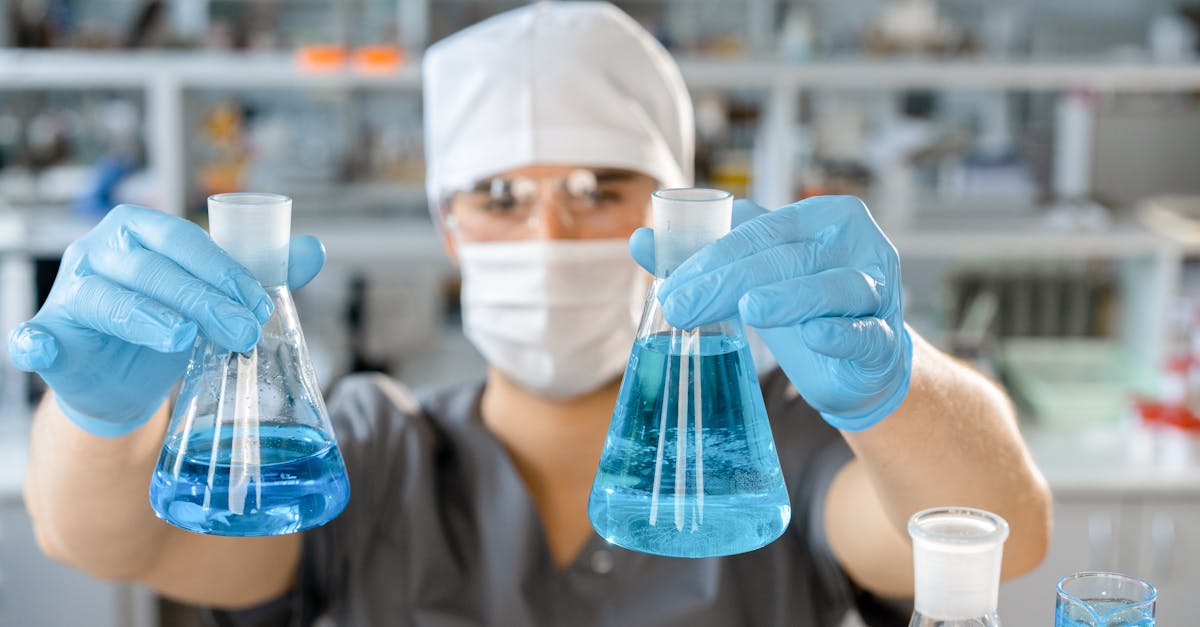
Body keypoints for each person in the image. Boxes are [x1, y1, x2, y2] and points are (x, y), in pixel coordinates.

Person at [7, 3, 1050, 626]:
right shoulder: (381, 454)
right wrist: (101, 421)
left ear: (677, 217)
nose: (552, 229)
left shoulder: (774, 441)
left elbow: (1000, 535)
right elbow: (104, 542)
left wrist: (896, 383)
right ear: (449, 229)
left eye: (601, 188)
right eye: (500, 196)